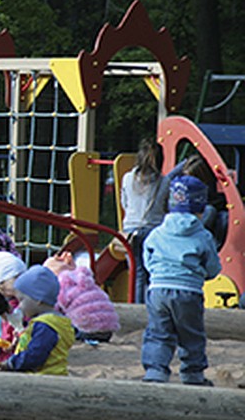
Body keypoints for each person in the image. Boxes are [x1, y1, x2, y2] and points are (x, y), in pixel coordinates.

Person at [141, 175, 221, 385]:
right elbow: (213, 267)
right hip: (188, 291)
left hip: (158, 289)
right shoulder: (202, 236)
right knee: (191, 333)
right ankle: (192, 374)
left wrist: (157, 274)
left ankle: (155, 372)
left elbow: (147, 258)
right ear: (201, 208)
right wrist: (203, 274)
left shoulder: (157, 233)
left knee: (158, 332)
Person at [0, 265, 75, 375]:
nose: (19, 306)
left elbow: (36, 355)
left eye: (22, 300)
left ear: (38, 299)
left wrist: (11, 363)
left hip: (44, 376)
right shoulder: (54, 322)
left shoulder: (46, 325)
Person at [120, 136, 168, 304]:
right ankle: (150, 307)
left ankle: (135, 306)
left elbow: (124, 203)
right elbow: (166, 206)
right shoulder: (163, 181)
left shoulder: (127, 178)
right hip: (154, 230)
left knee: (136, 272)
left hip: (130, 230)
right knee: (153, 273)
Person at [47, 251, 120, 343]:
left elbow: (54, 308)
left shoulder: (61, 285)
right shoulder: (87, 281)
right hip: (109, 330)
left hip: (86, 331)